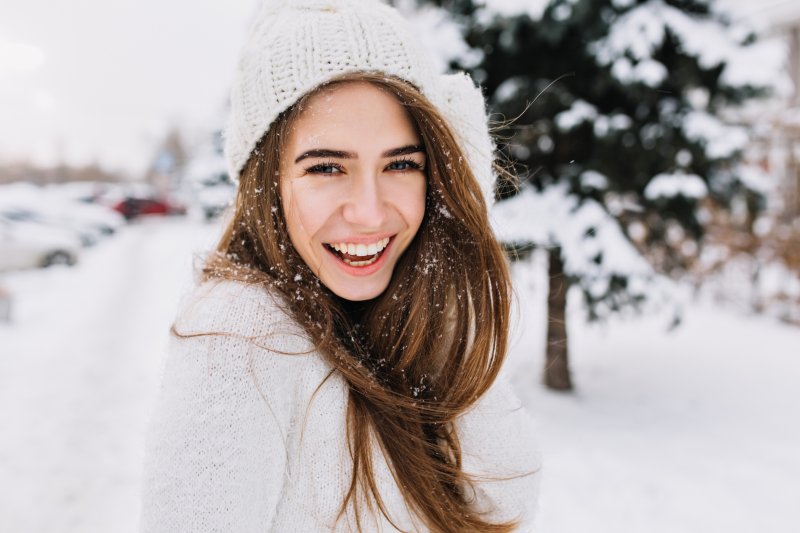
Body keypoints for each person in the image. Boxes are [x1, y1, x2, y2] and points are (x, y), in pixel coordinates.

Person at [140, 1, 541, 532]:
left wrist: (457, 240)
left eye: (401, 164)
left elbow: (503, 505)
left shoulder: (397, 312)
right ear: (269, 185)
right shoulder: (240, 336)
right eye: (327, 167)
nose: (370, 212)